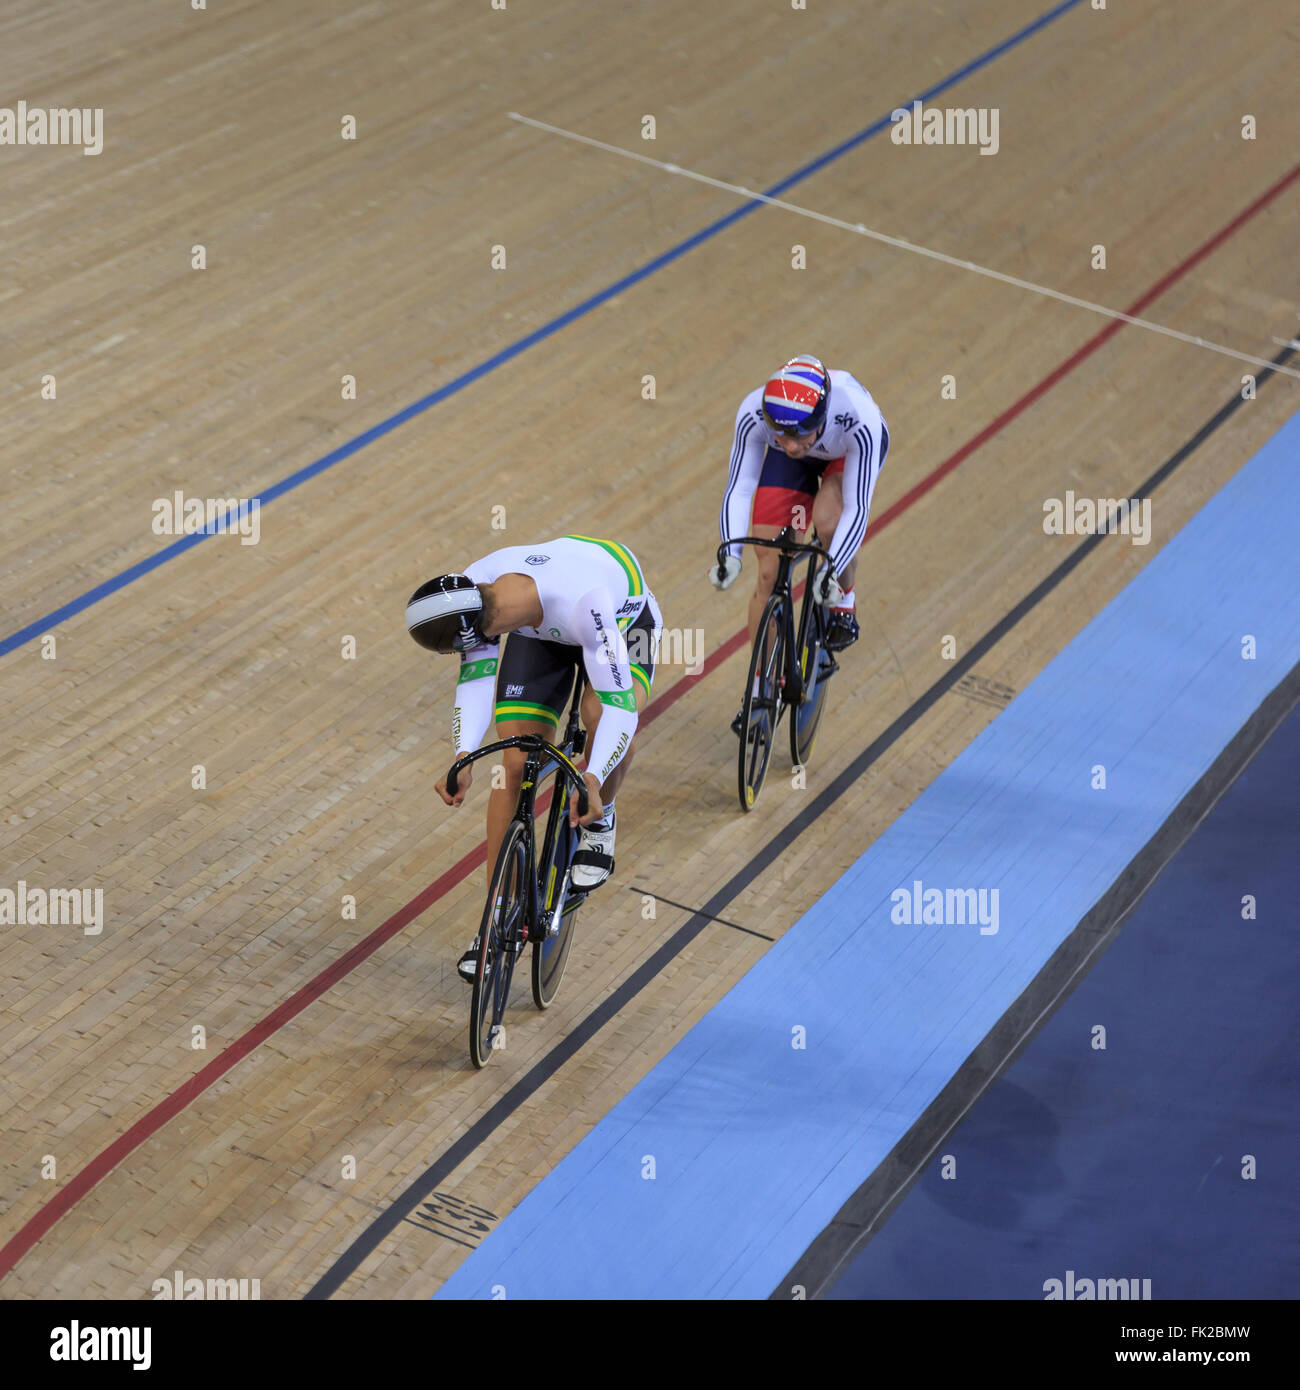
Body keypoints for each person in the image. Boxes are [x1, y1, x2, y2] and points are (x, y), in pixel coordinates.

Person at [406, 535, 661, 980]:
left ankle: (602, 821)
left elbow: (622, 711)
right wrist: (463, 755)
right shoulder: (475, 589)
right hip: (541, 629)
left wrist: (596, 779)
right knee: (516, 763)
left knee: (600, 716)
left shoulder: (587, 602)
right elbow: (476, 679)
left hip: (617, 622)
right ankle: (495, 918)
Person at [708, 355, 889, 732]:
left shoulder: (858, 418)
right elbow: (740, 487)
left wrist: (834, 569)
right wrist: (730, 552)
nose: (790, 445)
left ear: (821, 417)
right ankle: (759, 689)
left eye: (799, 434)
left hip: (845, 456)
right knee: (769, 569)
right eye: (781, 435)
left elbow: (857, 508)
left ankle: (844, 600)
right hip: (798, 469)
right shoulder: (755, 414)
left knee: (828, 522)